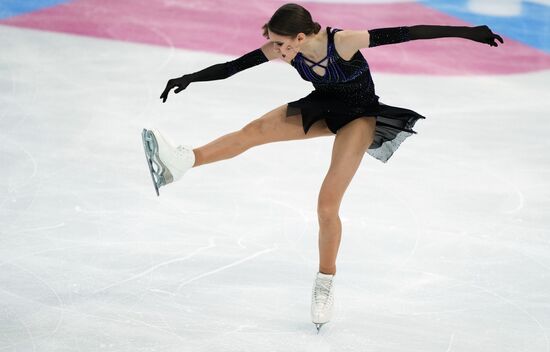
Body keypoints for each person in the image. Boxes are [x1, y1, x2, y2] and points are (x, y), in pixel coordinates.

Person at [142, 3, 504, 332]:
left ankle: (325, 284)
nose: (278, 52)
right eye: (275, 44)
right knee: (254, 132)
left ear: (301, 37)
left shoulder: (343, 42)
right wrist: (189, 77)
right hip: (320, 107)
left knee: (327, 206)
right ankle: (182, 161)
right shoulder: (282, 48)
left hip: (358, 117)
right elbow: (232, 67)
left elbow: (409, 32)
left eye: (283, 45)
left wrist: (471, 33)